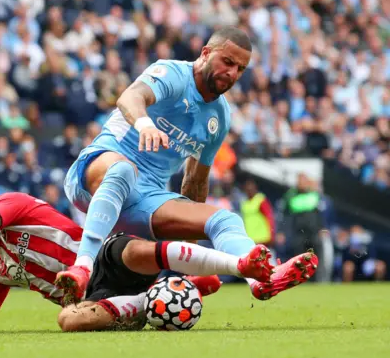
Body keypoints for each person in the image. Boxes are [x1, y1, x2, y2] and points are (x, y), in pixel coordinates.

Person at [59, 26, 318, 304]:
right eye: (227, 62)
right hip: (96, 172)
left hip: (145, 199)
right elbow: (130, 97)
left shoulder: (219, 117)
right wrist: (145, 124)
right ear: (206, 53)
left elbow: (194, 183)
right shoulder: (173, 74)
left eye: (240, 69)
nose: (232, 73)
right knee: (123, 169)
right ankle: (83, 267)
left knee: (226, 219)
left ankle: (262, 279)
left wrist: (192, 264)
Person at [0, 167, 273, 333]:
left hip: (98, 258)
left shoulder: (11, 204)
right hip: (100, 297)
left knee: (129, 251)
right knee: (68, 321)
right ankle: (174, 291)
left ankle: (239, 263)